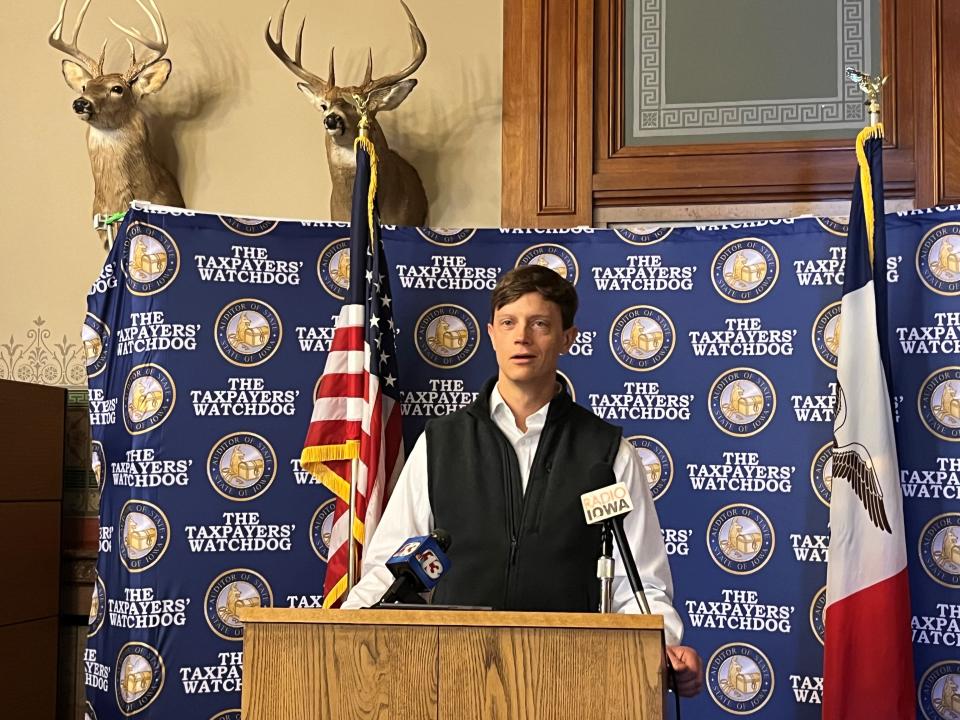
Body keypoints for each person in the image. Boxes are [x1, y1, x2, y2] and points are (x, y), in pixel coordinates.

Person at [343, 265, 704, 697]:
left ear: (567, 338)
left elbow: (641, 583)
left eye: (540, 324)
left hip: (571, 683)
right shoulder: (441, 445)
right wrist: (342, 630)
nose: (522, 337)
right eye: (510, 323)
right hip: (450, 678)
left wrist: (664, 645)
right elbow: (391, 569)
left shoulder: (606, 455)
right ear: (491, 333)